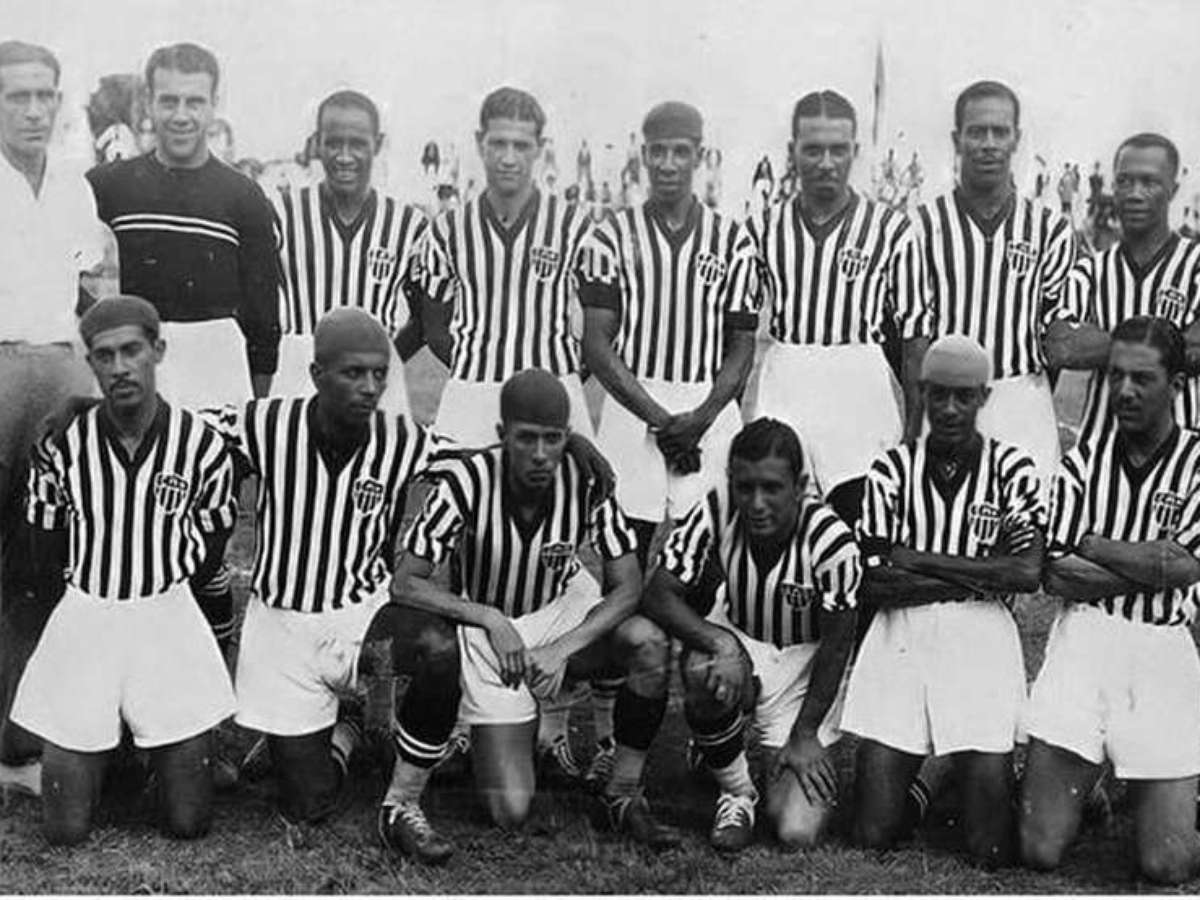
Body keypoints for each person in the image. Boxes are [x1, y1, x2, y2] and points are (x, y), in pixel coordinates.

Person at [383, 370, 679, 860]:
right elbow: (406, 581)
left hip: (557, 615)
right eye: (526, 439)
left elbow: (628, 585)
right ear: (503, 435)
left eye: (553, 439)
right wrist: (488, 618)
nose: (541, 454)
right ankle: (486, 726)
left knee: (646, 642)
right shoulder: (469, 479)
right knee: (510, 809)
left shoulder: (585, 478)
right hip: (487, 633)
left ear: (568, 437)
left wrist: (563, 648)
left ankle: (622, 791)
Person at [10, 296, 237, 845]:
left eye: (132, 351)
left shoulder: (203, 445)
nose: (120, 367)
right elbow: (44, 550)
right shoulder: (61, 444)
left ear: (158, 350)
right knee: (65, 830)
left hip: (166, 614)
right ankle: (109, 746)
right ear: (90, 362)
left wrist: (160, 586)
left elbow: (211, 546)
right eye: (105, 356)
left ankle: (151, 745)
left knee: (188, 822)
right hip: (88, 613)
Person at [87, 43, 280, 649]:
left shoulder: (243, 195)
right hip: (139, 356)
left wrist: (254, 406)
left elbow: (263, 315)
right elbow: (73, 268)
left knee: (207, 513)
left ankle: (210, 627)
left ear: (214, 104)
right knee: (132, 506)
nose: (180, 115)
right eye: (168, 100)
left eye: (194, 102)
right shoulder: (108, 186)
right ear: (148, 102)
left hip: (215, 357)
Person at [841, 334, 1046, 867]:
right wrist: (982, 574)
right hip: (902, 635)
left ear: (984, 397)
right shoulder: (890, 469)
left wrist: (919, 559)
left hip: (981, 638)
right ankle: (935, 774)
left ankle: (958, 765)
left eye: (964, 396)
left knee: (990, 847)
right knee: (872, 832)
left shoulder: (1013, 468)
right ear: (923, 392)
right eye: (939, 395)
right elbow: (875, 583)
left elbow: (1026, 572)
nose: (950, 409)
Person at [1021, 316, 1200, 885]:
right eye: (1117, 375)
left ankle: (1158, 783)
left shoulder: (1197, 462)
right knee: (1038, 848)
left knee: (1166, 863)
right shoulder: (1082, 461)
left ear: (1176, 385)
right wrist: (1155, 565)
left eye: (1142, 379)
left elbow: (1186, 566)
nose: (1124, 390)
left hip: (1162, 647)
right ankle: (1094, 780)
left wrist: (1095, 545)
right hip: (1086, 638)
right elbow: (1057, 575)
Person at [640, 418, 859, 852]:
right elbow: (658, 593)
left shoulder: (831, 541)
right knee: (701, 666)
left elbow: (837, 647)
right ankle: (737, 791)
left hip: (803, 666)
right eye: (745, 487)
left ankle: (724, 745)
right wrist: (720, 641)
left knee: (796, 830)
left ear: (800, 486)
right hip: (739, 636)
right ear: (731, 481)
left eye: (772, 488)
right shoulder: (717, 508)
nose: (757, 503)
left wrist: (805, 734)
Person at [580, 101, 758, 566]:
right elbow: (597, 345)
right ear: (643, 155)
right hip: (633, 403)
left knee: (712, 554)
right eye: (658, 151)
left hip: (706, 405)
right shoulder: (610, 237)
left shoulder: (732, 240)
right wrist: (662, 422)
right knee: (624, 551)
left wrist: (701, 419)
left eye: (680, 152)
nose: (668, 164)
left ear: (699, 155)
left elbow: (741, 347)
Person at [0, 39, 109, 794]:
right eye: (17, 97)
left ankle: (19, 742)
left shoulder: (73, 187)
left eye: (45, 96)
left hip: (61, 377)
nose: (34, 111)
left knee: (42, 560)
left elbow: (81, 291)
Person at [750, 90, 930, 526]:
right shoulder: (762, 227)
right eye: (813, 149)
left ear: (855, 151)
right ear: (792, 151)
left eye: (838, 149)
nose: (826, 162)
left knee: (864, 522)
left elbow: (915, 338)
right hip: (787, 374)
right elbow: (734, 328)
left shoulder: (892, 229)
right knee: (778, 521)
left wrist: (913, 432)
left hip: (859, 379)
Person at [914, 81, 1077, 487]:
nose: (988, 144)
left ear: (1016, 139)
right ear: (957, 139)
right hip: (947, 404)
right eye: (977, 132)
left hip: (1023, 399)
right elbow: (911, 339)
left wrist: (1025, 388)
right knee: (943, 520)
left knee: (1031, 521)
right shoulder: (922, 226)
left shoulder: (1050, 230)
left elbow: (1055, 341)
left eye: (999, 132)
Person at [271, 90, 430, 416]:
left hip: (375, 386)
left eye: (357, 144)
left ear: (377, 143)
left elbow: (426, 318)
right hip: (301, 375)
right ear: (317, 143)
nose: (344, 156)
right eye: (333, 143)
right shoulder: (282, 214)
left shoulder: (408, 224)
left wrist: (383, 356)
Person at [1044, 134, 1200, 446]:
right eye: (1125, 182)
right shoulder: (1091, 269)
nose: (1135, 193)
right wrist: (1168, 348)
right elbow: (1062, 346)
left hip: (1182, 452)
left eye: (1149, 182)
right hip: (1100, 448)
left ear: (1173, 189)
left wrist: (1102, 342)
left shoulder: (1194, 264)